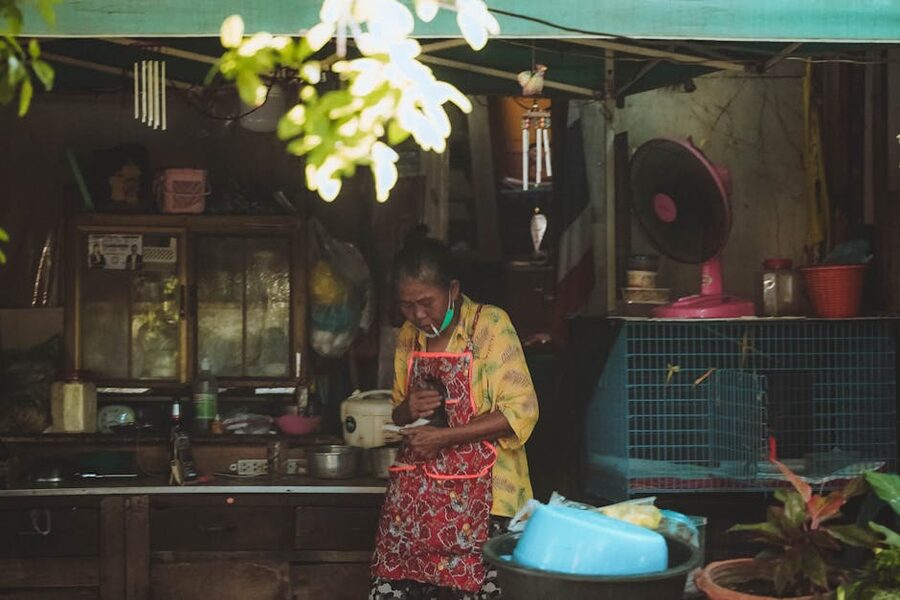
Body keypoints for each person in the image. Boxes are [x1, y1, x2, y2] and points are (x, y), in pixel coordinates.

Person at [370, 229, 539, 600]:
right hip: (416, 506)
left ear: (453, 289)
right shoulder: (407, 338)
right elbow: (398, 414)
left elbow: (519, 412)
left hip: (487, 501)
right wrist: (407, 409)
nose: (417, 314)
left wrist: (445, 437)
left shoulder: (490, 327)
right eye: (406, 305)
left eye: (426, 302)